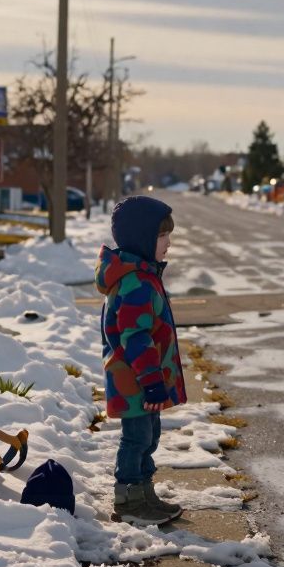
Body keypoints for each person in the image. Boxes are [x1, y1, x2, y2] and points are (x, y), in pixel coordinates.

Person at [95, 195, 188, 526]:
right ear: (142, 238)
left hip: (144, 381)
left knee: (149, 437)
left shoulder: (145, 276)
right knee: (136, 439)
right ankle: (128, 500)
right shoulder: (136, 283)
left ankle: (145, 492)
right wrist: (151, 384)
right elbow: (135, 339)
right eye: (163, 236)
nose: (168, 244)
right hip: (135, 381)